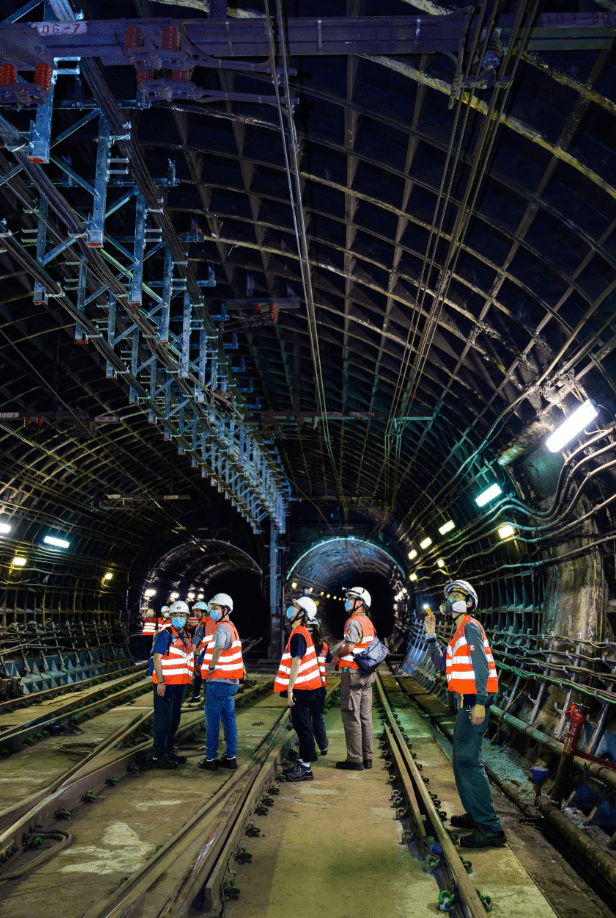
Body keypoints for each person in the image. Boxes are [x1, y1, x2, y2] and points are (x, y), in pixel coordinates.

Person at [424, 579, 506, 848]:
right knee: (461, 759)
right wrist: (431, 635)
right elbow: (441, 664)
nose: (451, 600)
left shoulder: (470, 626)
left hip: (473, 700)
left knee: (468, 761)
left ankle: (490, 826)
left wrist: (480, 702)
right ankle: (476, 813)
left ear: (469, 603)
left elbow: (481, 665)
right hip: (467, 699)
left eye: (457, 595)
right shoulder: (458, 632)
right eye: (449, 596)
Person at [274, 596, 322, 782]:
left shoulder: (299, 634)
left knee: (303, 728)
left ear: (302, 614)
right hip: (305, 687)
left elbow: (296, 663)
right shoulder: (299, 633)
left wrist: (290, 690)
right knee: (301, 726)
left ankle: (307, 768)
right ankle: (302, 763)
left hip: (302, 688)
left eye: (295, 607)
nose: (291, 610)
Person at [198, 593, 246, 771]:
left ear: (225, 610)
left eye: (215, 608)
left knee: (212, 720)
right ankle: (230, 757)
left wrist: (210, 668)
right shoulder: (233, 627)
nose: (212, 612)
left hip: (218, 681)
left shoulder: (221, 628)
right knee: (229, 719)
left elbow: (218, 648)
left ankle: (210, 759)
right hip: (231, 682)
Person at [332, 586, 376, 771]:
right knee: (365, 717)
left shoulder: (352, 621)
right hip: (367, 675)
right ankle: (367, 757)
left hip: (352, 674)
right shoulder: (369, 622)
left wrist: (337, 656)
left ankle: (355, 759)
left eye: (351, 598)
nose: (347, 601)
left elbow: (349, 647)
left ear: (360, 603)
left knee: (351, 716)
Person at [151, 600, 193, 769]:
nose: (179, 618)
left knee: (174, 719)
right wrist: (161, 682)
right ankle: (158, 755)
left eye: (182, 615)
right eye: (175, 615)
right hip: (166, 684)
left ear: (187, 617)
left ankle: (168, 750)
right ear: (170, 617)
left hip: (180, 684)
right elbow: (157, 658)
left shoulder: (186, 635)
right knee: (164, 720)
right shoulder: (165, 634)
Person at [308, 618, 330, 756]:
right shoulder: (324, 646)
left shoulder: (302, 644)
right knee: (318, 718)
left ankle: (309, 749)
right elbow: (326, 662)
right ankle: (323, 747)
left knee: (305, 719)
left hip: (305, 687)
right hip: (320, 687)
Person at [189, 600, 213, 703]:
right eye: (194, 612)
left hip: (204, 654)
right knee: (200, 675)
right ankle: (197, 695)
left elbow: (197, 639)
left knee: (203, 676)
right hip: (205, 653)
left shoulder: (204, 622)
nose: (195, 614)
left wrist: (193, 653)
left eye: (198, 612)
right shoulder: (207, 621)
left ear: (204, 612)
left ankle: (206, 700)